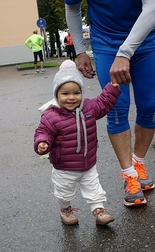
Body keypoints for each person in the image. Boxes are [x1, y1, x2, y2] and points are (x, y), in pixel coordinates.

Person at [65, 0, 155, 207]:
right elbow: (72, 6)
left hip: (143, 42)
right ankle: (129, 176)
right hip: (107, 43)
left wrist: (126, 52)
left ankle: (139, 163)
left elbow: (153, 8)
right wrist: (81, 50)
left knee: (150, 106)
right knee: (117, 108)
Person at [34, 65, 121, 226]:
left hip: (88, 163)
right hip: (64, 166)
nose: (71, 98)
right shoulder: (51, 115)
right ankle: (65, 210)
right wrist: (42, 142)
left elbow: (103, 103)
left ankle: (99, 212)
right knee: (63, 192)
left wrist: (112, 89)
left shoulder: (88, 107)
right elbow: (43, 131)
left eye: (76, 93)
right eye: (65, 94)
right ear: (56, 94)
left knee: (94, 189)